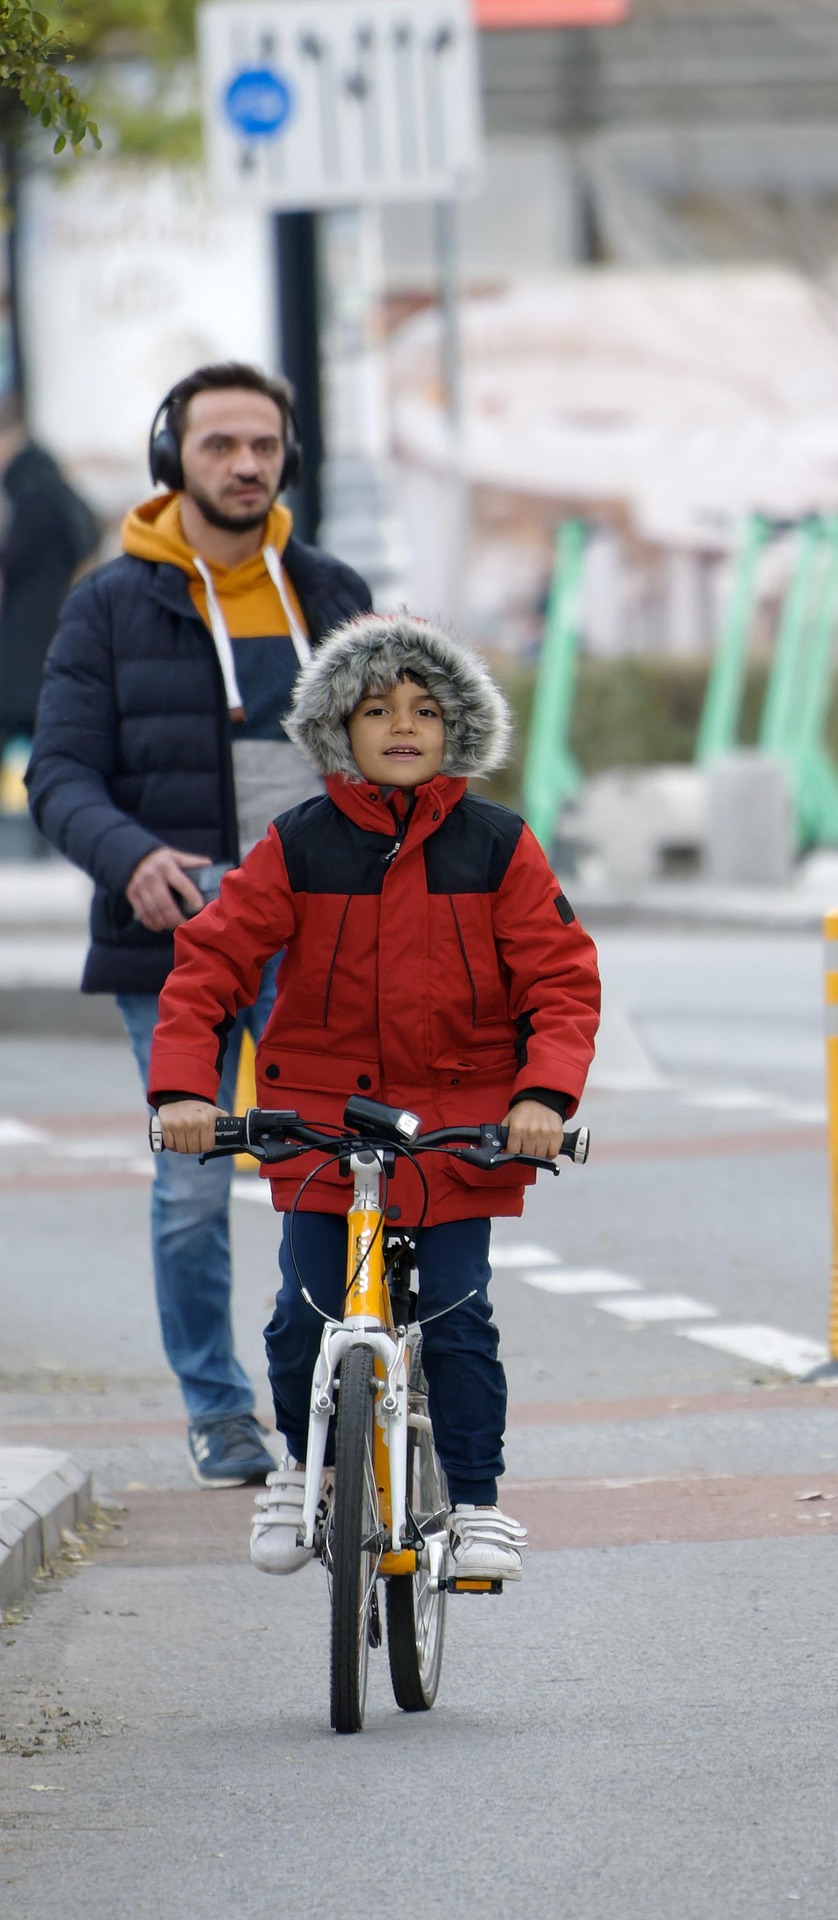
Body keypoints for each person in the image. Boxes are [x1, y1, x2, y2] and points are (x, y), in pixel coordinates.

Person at [146, 612, 600, 1581]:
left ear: (457, 729)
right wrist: (186, 1089)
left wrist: (542, 1097)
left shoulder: (498, 846)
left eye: (426, 710)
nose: (402, 726)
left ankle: (475, 1502)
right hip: (318, 1125)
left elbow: (561, 979)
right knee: (302, 1314)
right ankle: (301, 1469)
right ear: (336, 730)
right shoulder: (297, 845)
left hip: (458, 1129)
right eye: (377, 709)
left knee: (457, 1314)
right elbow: (211, 965)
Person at [27, 363, 371, 1488]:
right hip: (179, 940)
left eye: (263, 445)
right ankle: (218, 1412)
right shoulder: (108, 604)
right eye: (220, 444)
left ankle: (337, 1390)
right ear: (173, 457)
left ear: (289, 457)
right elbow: (59, 775)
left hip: (320, 934)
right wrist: (130, 858)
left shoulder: (332, 591)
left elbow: (393, 757)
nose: (245, 464)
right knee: (191, 1188)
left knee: (339, 1168)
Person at [0, 395, 99, 745]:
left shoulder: (31, 484)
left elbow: (19, 555)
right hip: (44, 625)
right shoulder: (42, 480)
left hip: (30, 633)